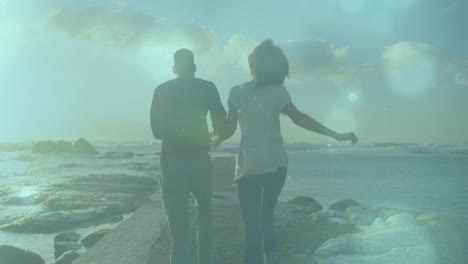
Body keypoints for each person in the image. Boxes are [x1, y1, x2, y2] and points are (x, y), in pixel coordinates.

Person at [212, 40, 358, 264]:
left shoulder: (237, 92)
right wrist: (336, 135)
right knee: (265, 219)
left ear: (254, 64)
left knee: (252, 227)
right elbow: (299, 118)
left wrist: (216, 138)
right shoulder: (276, 92)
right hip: (275, 166)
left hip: (248, 167)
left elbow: (230, 129)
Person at [150, 48, 226, 264]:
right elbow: (220, 119)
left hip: (172, 161)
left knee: (179, 230)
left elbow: (156, 132)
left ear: (174, 68)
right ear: (194, 67)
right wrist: (214, 136)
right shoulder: (207, 88)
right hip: (200, 159)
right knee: (205, 213)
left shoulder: (161, 90)